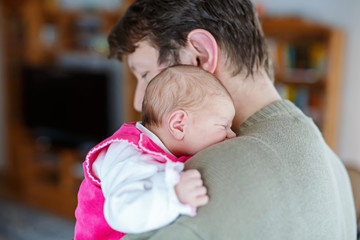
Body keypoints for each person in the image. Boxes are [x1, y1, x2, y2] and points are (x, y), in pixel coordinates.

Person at [107, 0, 357, 239]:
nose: (138, 101)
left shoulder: (189, 185)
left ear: (200, 56)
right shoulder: (331, 163)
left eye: (145, 74)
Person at [74, 65, 236, 240]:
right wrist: (173, 195)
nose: (232, 134)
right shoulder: (130, 157)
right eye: (223, 125)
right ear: (178, 125)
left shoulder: (167, 145)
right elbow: (120, 212)